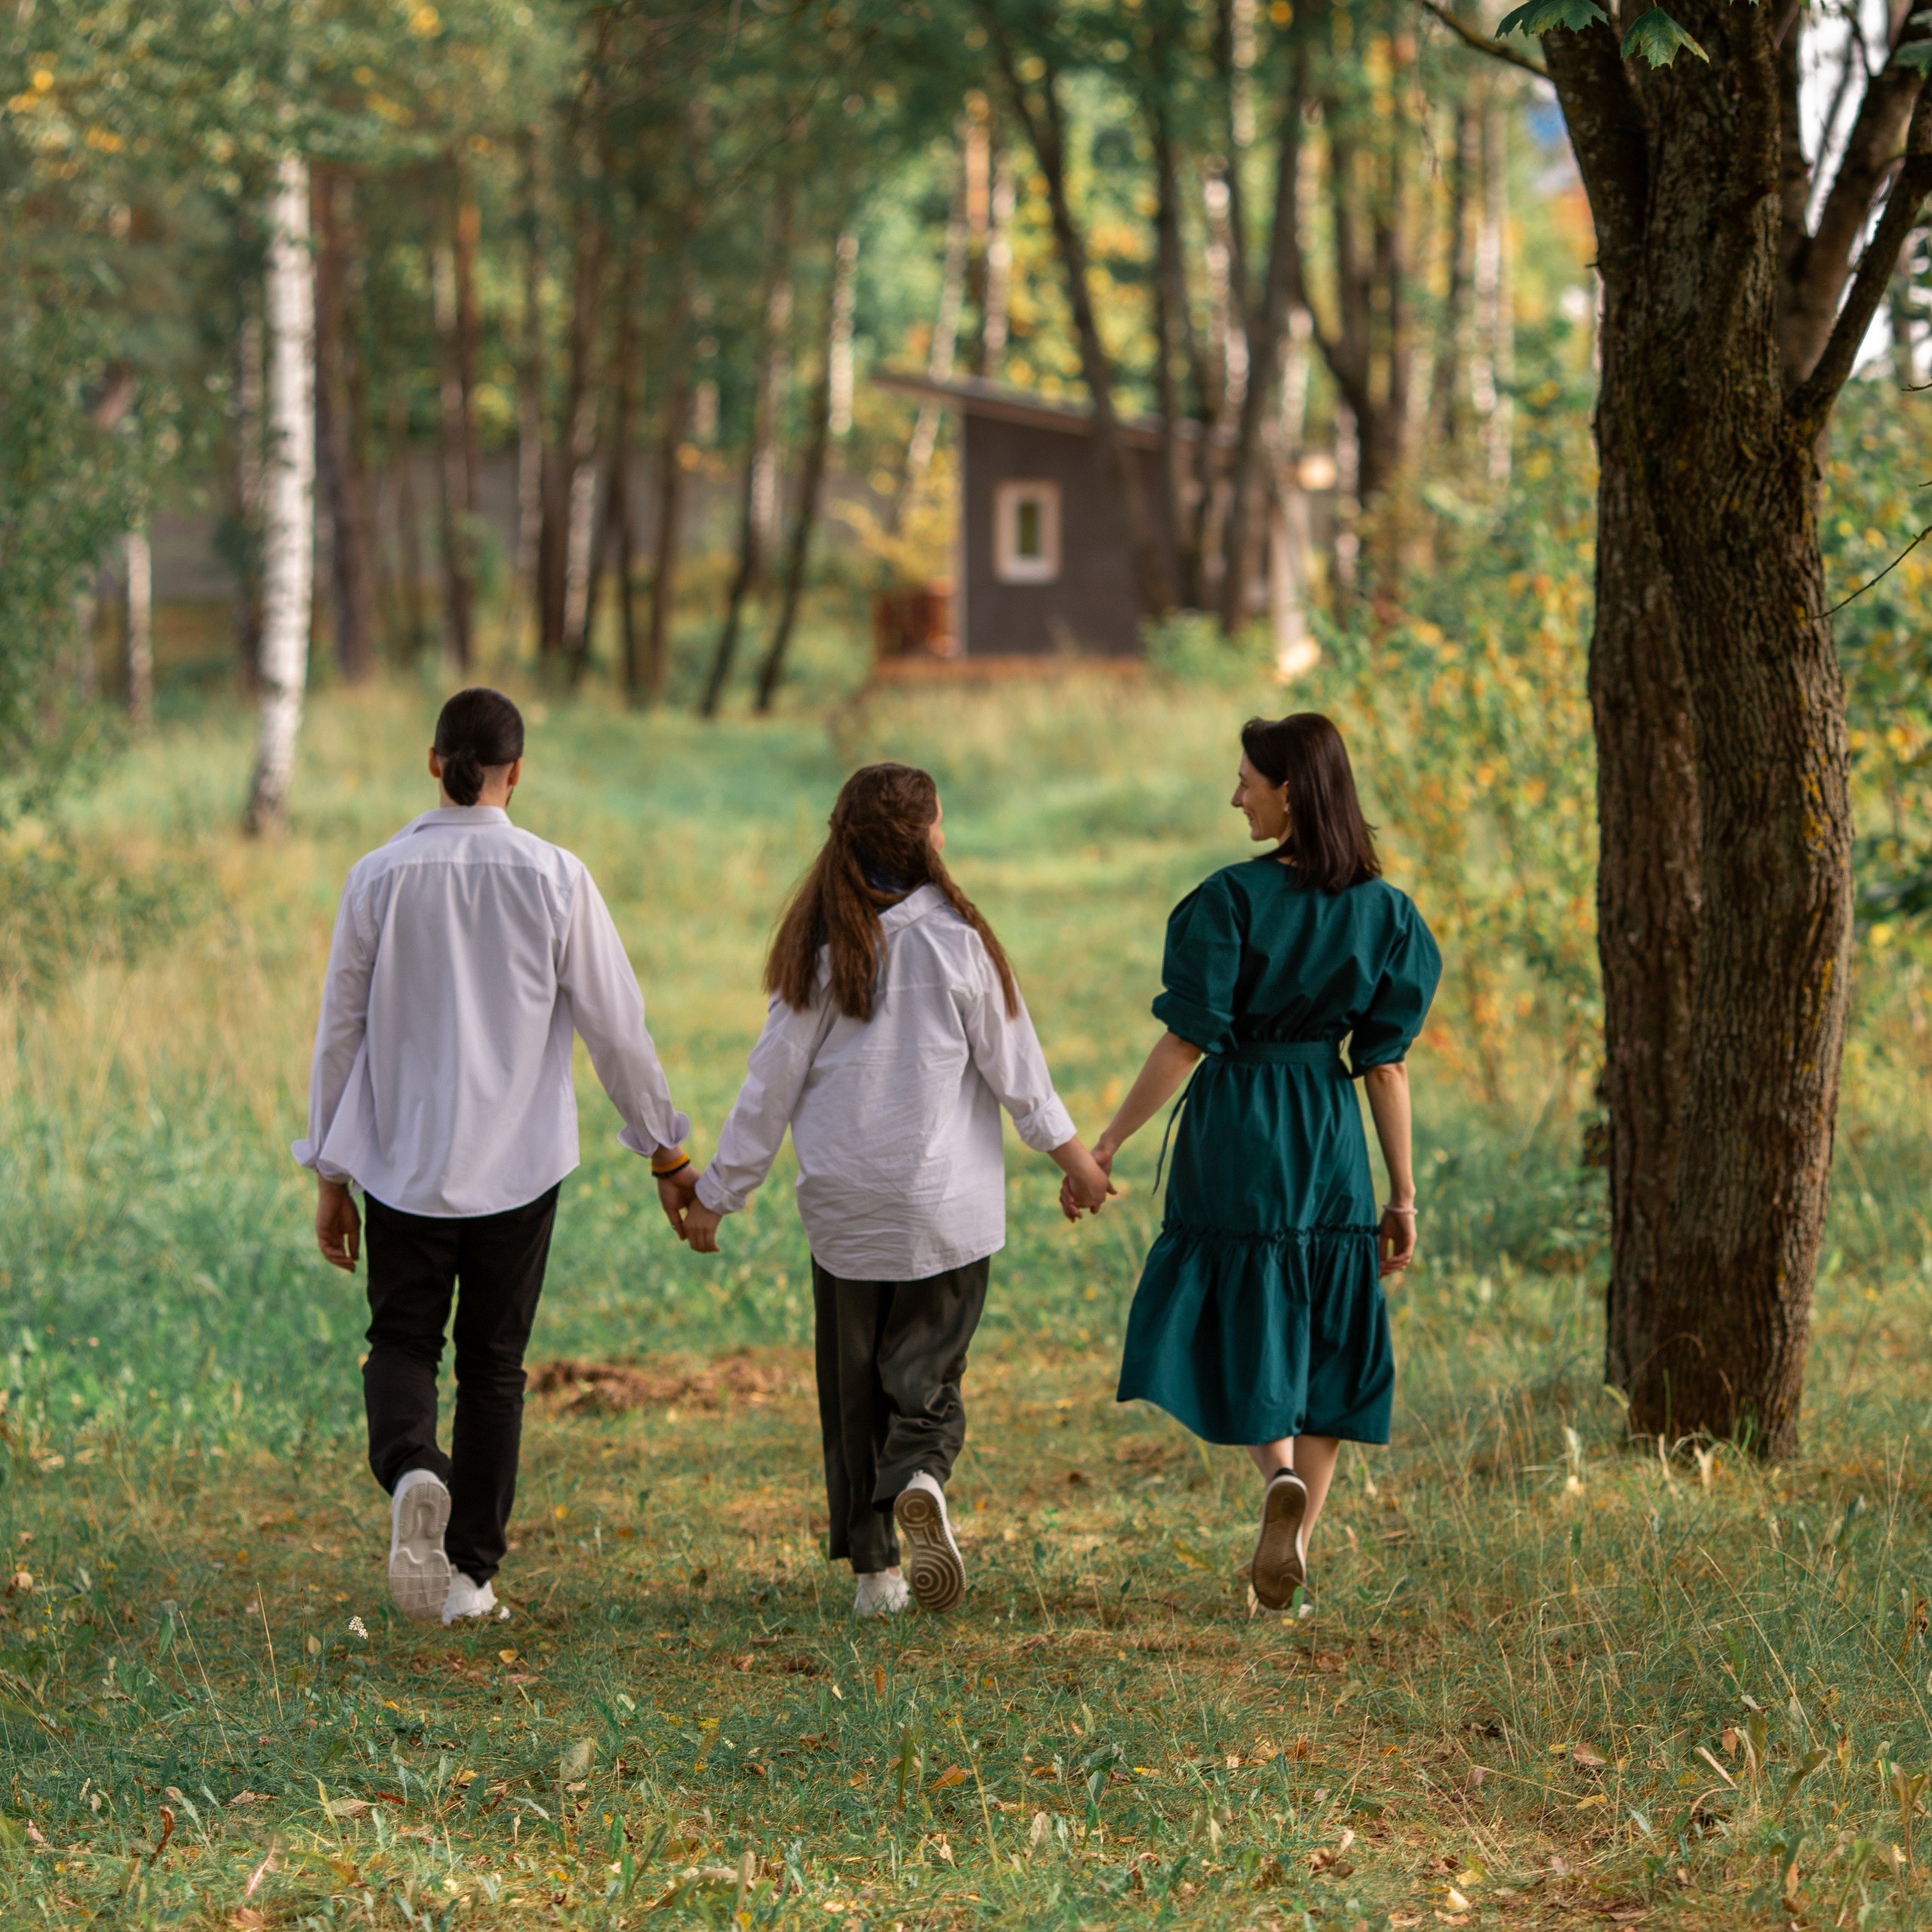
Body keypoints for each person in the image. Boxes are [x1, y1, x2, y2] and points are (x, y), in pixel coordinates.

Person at [293, 688, 697, 1626]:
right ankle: (470, 1576)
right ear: (517, 772)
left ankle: (411, 1470)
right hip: (519, 1165)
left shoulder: (377, 876)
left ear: (433, 762)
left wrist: (329, 1170)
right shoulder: (556, 875)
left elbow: (337, 1033)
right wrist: (663, 1149)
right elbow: (616, 1028)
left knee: (400, 1342)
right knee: (494, 1366)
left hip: (402, 1164)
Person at [677, 763, 1110, 1620]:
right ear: (932, 837)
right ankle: (919, 1474)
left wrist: (715, 1197)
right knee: (928, 1377)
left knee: (852, 1395)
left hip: (845, 1214)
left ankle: (877, 1577)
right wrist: (1079, 1166)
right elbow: (1021, 1079)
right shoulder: (961, 942)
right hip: (944, 1210)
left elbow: (767, 1090)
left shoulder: (820, 953)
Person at [1076, 714, 1439, 1614]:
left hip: (1238, 1123)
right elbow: (1385, 1065)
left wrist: (1111, 1139)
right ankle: (1298, 1539)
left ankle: (1274, 1473)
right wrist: (1402, 1194)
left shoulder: (1228, 900)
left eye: (1247, 779)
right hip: (1326, 1128)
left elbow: (1187, 1041)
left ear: (1291, 791)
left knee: (1245, 1309)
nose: (1235, 794)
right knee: (1327, 1325)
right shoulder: (1388, 913)